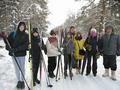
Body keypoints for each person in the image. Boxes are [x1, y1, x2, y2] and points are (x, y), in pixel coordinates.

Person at [4, 22, 29, 89]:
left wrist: (15, 49)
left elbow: (25, 45)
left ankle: (22, 81)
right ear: (18, 26)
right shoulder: (13, 34)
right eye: (21, 26)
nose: (22, 27)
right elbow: (7, 43)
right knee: (17, 69)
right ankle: (19, 81)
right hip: (14, 55)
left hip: (21, 55)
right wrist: (9, 49)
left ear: (24, 27)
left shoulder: (26, 35)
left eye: (23, 26)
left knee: (22, 68)